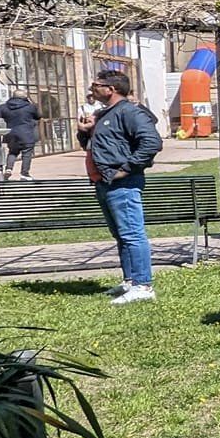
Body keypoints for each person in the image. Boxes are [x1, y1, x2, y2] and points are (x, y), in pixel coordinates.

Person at [77, 70, 163, 304]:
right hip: (103, 181)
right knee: (121, 236)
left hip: (122, 184)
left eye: (96, 85)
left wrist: (126, 169)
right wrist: (85, 132)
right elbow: (97, 146)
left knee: (132, 235)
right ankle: (130, 281)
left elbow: (152, 142)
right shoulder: (105, 114)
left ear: (110, 89)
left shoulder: (129, 112)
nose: (91, 89)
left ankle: (143, 286)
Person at [0, 90, 40, 181]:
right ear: (25, 97)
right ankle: (24, 174)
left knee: (12, 152)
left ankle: (8, 169)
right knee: (27, 153)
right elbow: (38, 116)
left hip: (10, 133)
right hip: (26, 133)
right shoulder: (30, 107)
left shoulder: (3, 107)